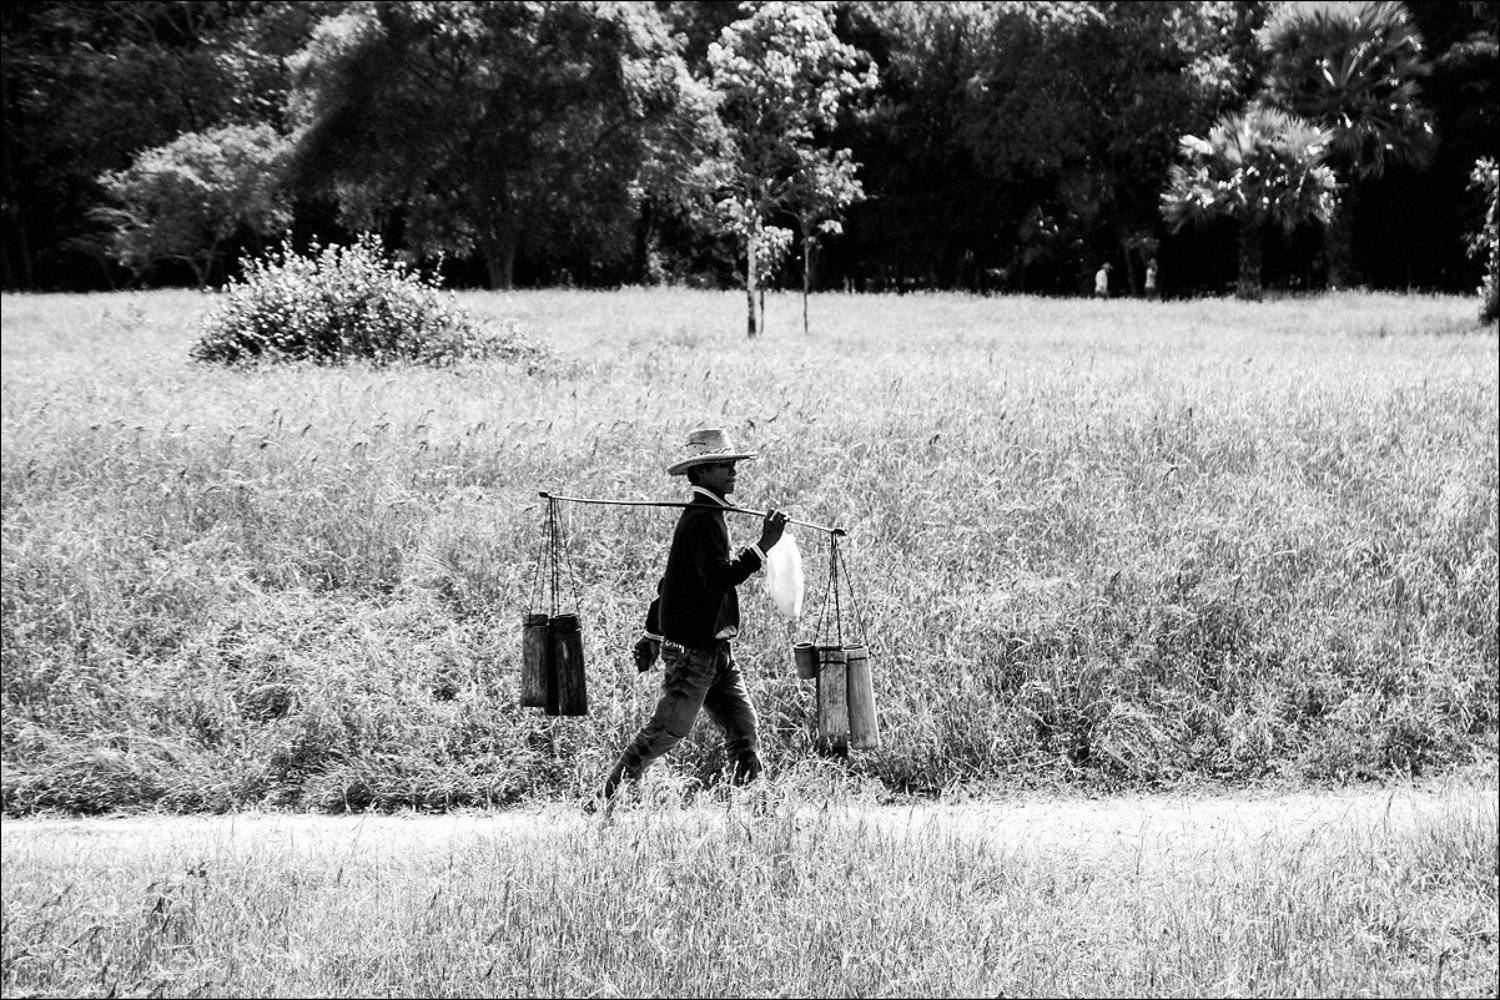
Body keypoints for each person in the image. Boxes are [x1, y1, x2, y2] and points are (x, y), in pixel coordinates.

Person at [592, 427, 788, 809]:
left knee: (742, 727)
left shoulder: (709, 514)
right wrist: (763, 545)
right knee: (668, 730)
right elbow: (717, 578)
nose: (733, 469)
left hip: (715, 649)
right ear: (699, 474)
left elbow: (673, 582)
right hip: (693, 653)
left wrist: (651, 633)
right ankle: (604, 800)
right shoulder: (702, 519)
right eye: (722, 464)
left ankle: (761, 811)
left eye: (732, 462)